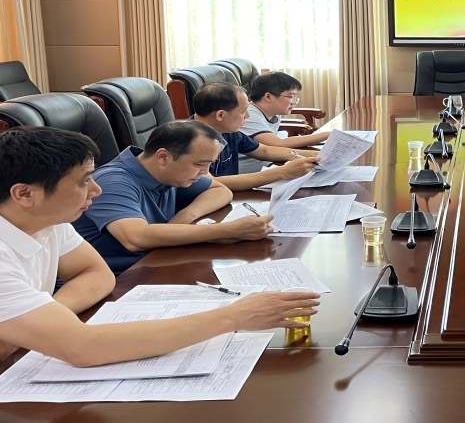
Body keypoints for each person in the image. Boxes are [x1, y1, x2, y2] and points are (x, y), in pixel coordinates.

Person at [0, 127, 319, 366]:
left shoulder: (50, 221)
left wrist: (38, 318)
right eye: (84, 181)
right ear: (25, 194)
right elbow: (82, 348)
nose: (96, 190)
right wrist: (234, 317)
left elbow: (96, 274)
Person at [73, 120, 277, 274]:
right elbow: (135, 238)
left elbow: (220, 190)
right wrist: (229, 230)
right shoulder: (112, 181)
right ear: (163, 157)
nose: (205, 172)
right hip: (118, 279)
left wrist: (185, 217)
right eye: (199, 164)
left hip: (157, 262)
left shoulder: (168, 173)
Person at [192, 82, 320, 191]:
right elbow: (210, 183)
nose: (247, 116)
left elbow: (264, 150)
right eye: (243, 112)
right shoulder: (191, 141)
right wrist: (284, 172)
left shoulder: (227, 130)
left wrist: (318, 156)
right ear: (220, 115)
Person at [238, 71, 330, 174]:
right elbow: (278, 144)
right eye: (290, 97)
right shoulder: (249, 115)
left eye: (295, 97)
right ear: (268, 97)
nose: (294, 102)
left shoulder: (273, 112)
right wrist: (327, 135)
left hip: (269, 164)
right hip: (249, 172)